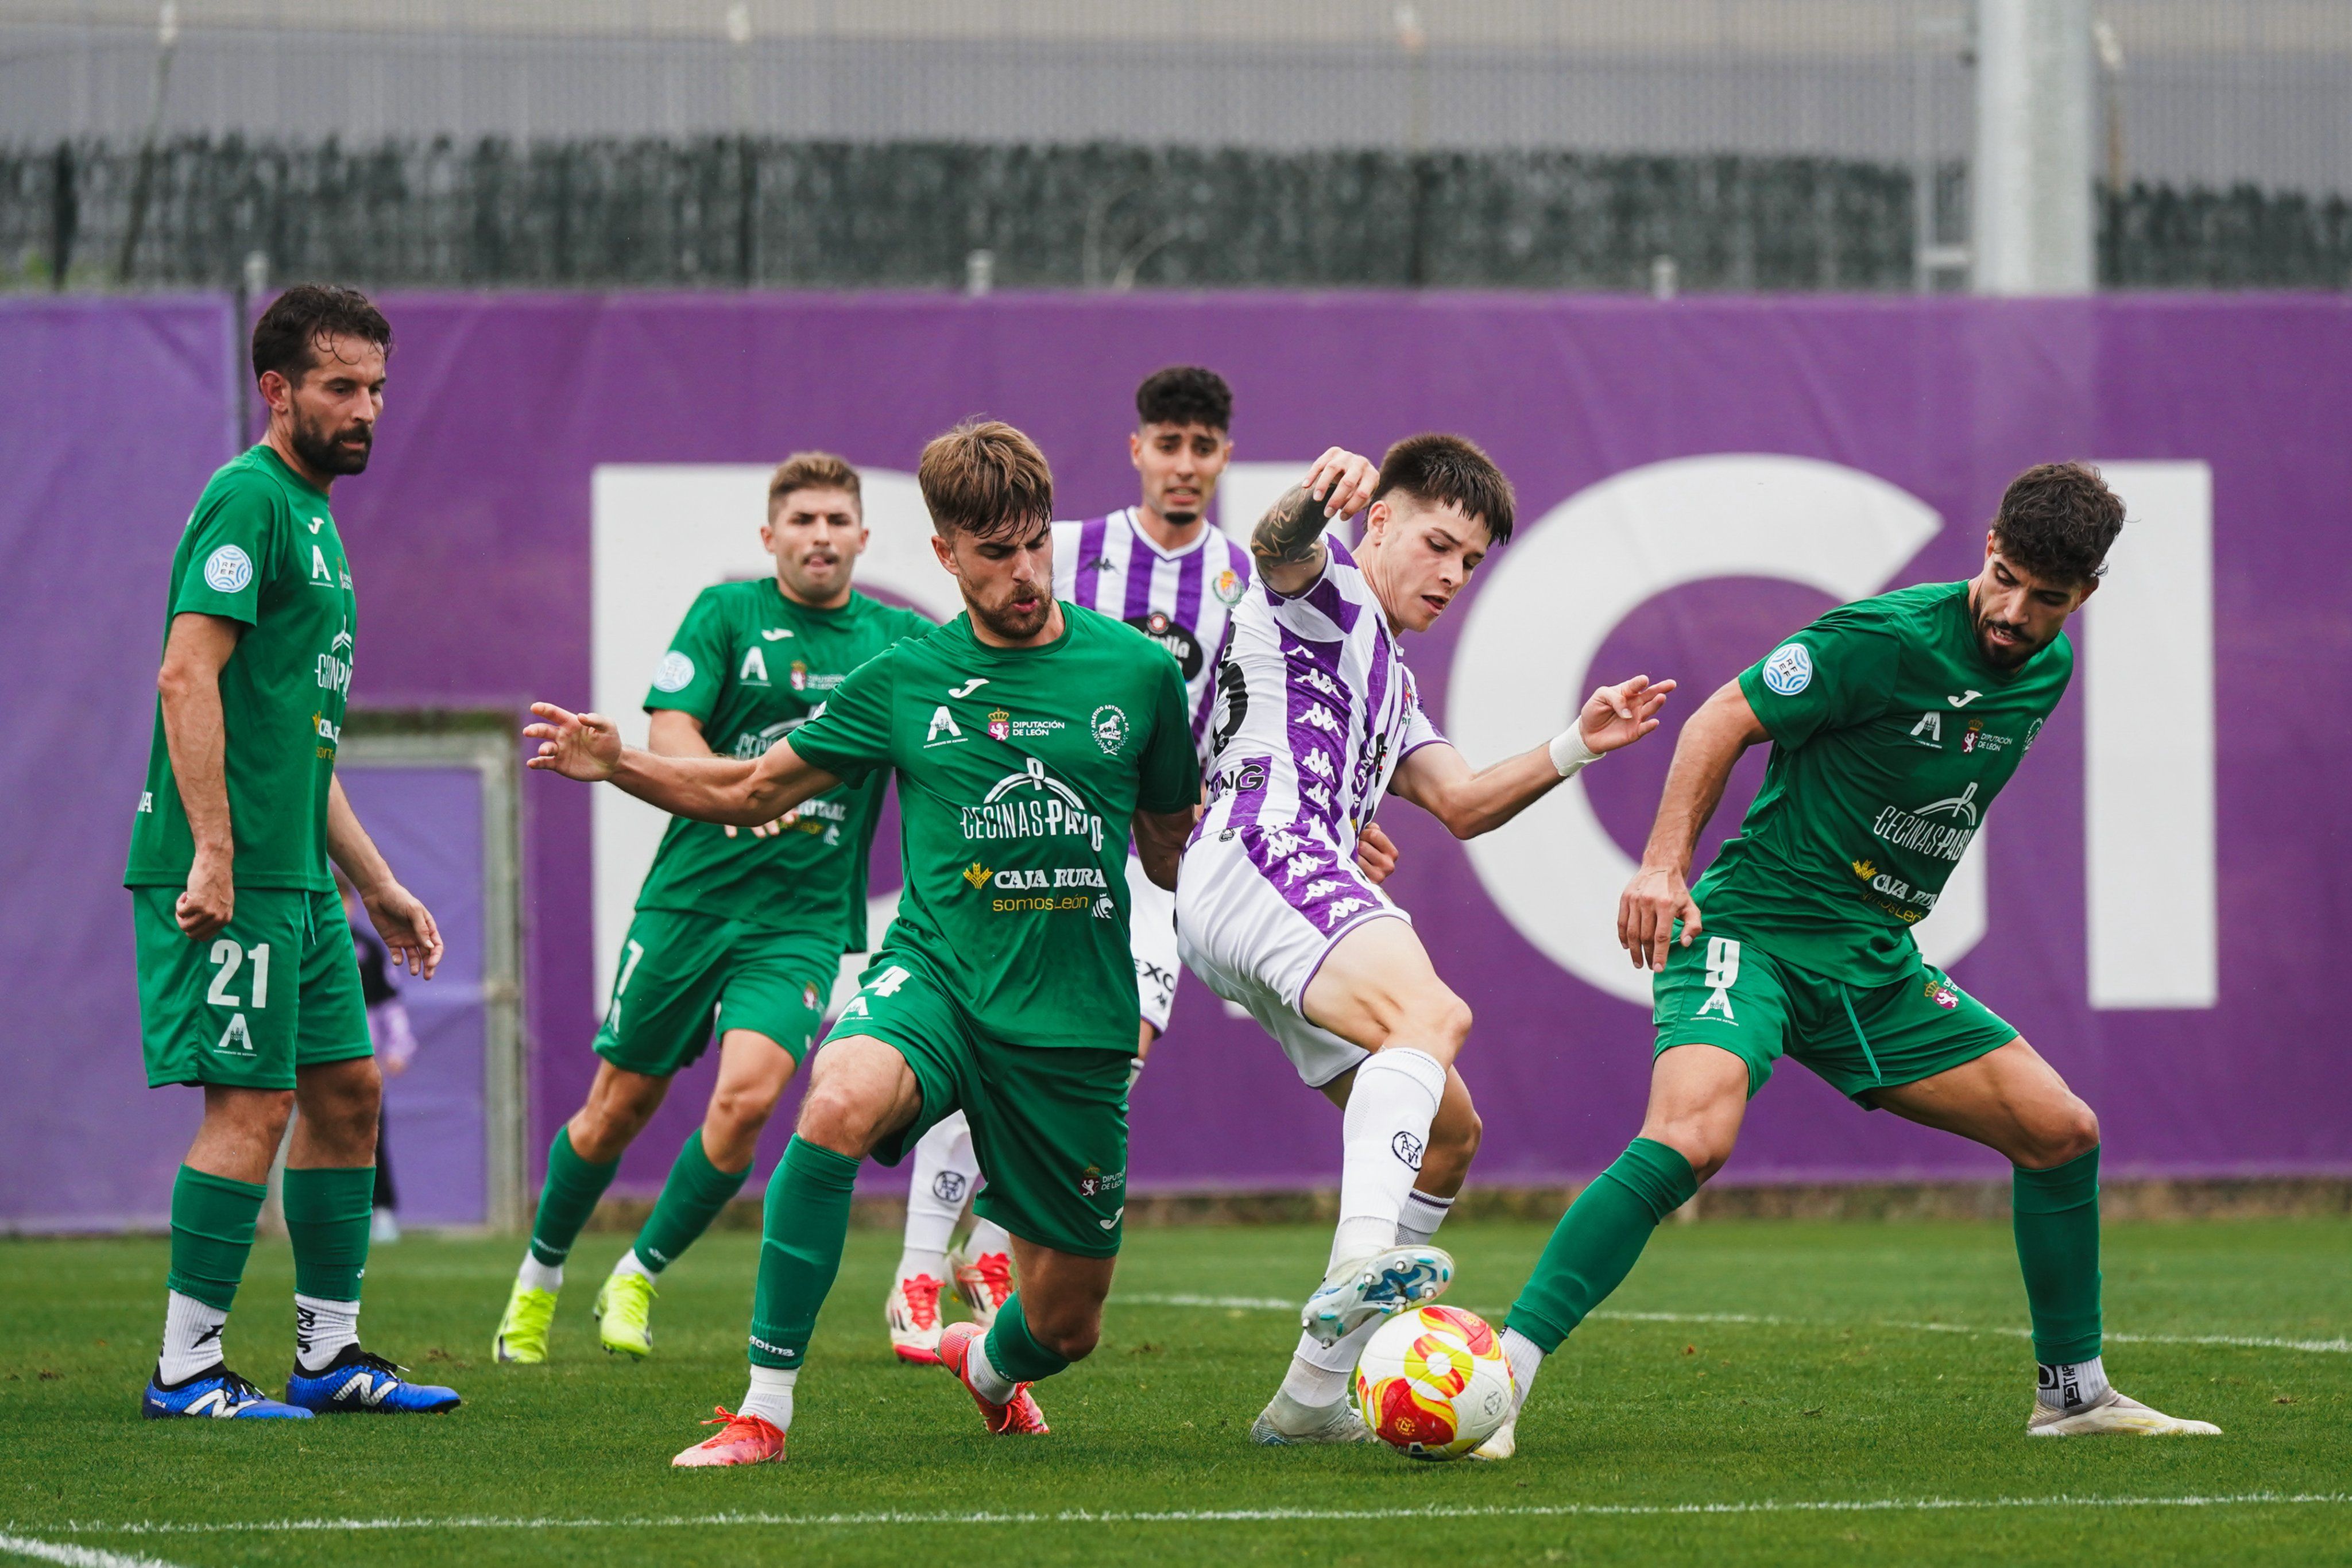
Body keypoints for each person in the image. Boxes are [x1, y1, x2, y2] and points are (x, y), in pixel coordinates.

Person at [1483, 462, 2219, 1459]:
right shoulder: (1881, 638)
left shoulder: (2046, 667)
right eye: (2003, 578)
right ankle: (1498, 1384)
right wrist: (1664, 868)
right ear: (1988, 544)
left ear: (2084, 595)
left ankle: (2074, 1395)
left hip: (1874, 962)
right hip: (1753, 932)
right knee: (1693, 1135)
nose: (2012, 612)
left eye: (2046, 598)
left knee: (2060, 1131)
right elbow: (1720, 719)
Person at [523, 419, 1202, 1468]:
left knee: (1065, 1325)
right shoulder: (902, 678)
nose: (1023, 573)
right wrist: (618, 765)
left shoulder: (1139, 674)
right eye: (993, 553)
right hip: (933, 979)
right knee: (833, 1095)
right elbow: (751, 785)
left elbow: (1169, 852)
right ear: (944, 555)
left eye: (1035, 544)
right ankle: (763, 1410)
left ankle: (984, 1363)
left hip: (1072, 1015)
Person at [881, 366, 1398, 1362]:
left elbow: (1279, 708)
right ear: (1138, 453)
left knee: (1115, 1054)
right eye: (1168, 444)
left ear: (1223, 460)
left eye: (1203, 448)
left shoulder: (1242, 578)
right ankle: (917, 1261)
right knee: (980, 1040)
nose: (1184, 465)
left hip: (1163, 846)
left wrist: (1340, 812)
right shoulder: (1065, 549)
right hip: (1036, 840)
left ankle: (992, 1246)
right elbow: (978, 644)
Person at [1174, 435, 1673, 1443]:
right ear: (1380, 522)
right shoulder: (1330, 595)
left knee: (1448, 1136)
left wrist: (1579, 740)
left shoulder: (1388, 676)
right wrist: (1316, 498)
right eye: (1438, 544)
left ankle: (1313, 1399)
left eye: (1471, 561)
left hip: (1257, 885)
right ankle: (1362, 1260)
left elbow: (1462, 802)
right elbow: (1275, 551)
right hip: (1261, 855)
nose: (1451, 574)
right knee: (1432, 1011)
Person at [493, 454, 929, 1364]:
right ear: (770, 537)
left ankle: (640, 1272)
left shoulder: (896, 641)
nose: (819, 535)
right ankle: (537, 1279)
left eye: (835, 520)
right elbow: (669, 733)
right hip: (690, 899)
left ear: (863, 537)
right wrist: (754, 789)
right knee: (618, 1106)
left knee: (747, 1101)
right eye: (801, 519)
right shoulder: (727, 612)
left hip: (803, 918)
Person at [126, 284, 457, 1419]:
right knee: (251, 1109)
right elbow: (186, 675)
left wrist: (379, 886)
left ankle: (330, 1355)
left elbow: (295, 746)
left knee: (348, 1089)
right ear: (276, 390)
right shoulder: (250, 498)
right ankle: (186, 1369)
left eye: (374, 387)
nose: (365, 408)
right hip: (232, 871)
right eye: (339, 387)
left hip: (299, 879)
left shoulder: (314, 518)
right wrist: (211, 850)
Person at [340, 870, 419, 1242]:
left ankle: (382, 1211)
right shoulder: (301, 947)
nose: (339, 910)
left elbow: (390, 1005)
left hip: (360, 1060)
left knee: (370, 1134)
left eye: (344, 901)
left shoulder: (368, 950)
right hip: (309, 1061)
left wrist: (399, 1047)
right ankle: (323, 1213)